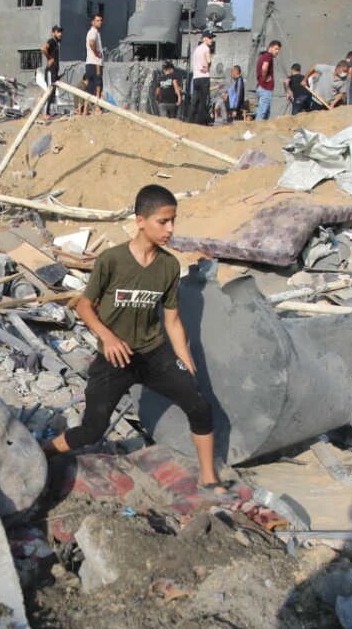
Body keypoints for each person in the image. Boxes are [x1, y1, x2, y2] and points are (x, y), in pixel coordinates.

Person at [41, 185, 226, 493]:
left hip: (154, 353)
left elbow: (173, 320)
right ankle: (44, 451)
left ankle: (209, 479)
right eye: (163, 222)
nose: (170, 229)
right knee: (91, 430)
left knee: (200, 407)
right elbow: (84, 306)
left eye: (173, 221)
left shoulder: (168, 266)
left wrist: (186, 361)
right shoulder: (112, 260)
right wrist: (108, 339)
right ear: (141, 221)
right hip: (115, 358)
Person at [189, 31, 214, 124]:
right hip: (204, 77)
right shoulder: (206, 48)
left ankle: (190, 120)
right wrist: (208, 67)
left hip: (196, 78)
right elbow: (209, 61)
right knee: (203, 101)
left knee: (194, 100)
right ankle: (200, 122)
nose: (212, 39)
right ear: (204, 38)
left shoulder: (196, 49)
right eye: (210, 37)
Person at [255, 40, 281, 120]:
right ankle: (256, 130)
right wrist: (264, 78)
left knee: (265, 112)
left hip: (262, 87)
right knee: (262, 112)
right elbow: (264, 67)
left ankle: (261, 130)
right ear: (270, 48)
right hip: (265, 88)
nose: (277, 51)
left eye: (278, 50)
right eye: (276, 49)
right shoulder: (268, 56)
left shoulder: (262, 56)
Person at [42, 25, 63, 118]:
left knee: (53, 92)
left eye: (61, 32)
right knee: (50, 91)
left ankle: (48, 112)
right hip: (50, 71)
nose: (60, 34)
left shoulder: (56, 43)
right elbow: (43, 48)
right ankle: (45, 113)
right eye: (58, 32)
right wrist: (49, 58)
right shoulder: (52, 41)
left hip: (54, 72)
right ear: (53, 33)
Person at [85, 13, 104, 112]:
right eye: (97, 20)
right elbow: (91, 43)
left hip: (91, 62)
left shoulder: (95, 32)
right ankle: (97, 107)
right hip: (95, 63)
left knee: (90, 86)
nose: (100, 22)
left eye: (100, 20)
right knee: (98, 84)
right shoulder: (93, 32)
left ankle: (85, 109)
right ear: (92, 22)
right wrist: (96, 53)